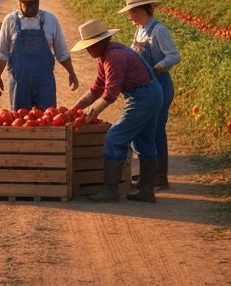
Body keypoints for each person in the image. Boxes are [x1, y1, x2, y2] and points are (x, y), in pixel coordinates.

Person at [70, 19, 163, 203]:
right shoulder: (105, 55)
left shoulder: (114, 57)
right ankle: (146, 190)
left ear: (99, 43)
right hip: (152, 93)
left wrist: (93, 112)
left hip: (143, 96)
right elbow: (97, 88)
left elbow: (110, 93)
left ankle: (110, 190)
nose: (87, 51)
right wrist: (75, 109)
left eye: (89, 47)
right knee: (145, 140)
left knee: (115, 137)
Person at [121, 0, 180, 190]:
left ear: (139, 10)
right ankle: (149, 174)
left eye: (130, 11)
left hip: (161, 85)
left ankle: (160, 175)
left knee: (156, 130)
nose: (129, 15)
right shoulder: (140, 30)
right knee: (146, 129)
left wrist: (159, 66)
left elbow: (174, 55)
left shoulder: (159, 30)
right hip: (147, 86)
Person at [0, 0, 79, 110]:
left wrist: (72, 73)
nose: (30, 7)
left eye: (33, 2)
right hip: (19, 82)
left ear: (38, 1)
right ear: (19, 2)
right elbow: (1, 53)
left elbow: (61, 51)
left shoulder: (50, 20)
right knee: (20, 118)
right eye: (26, 3)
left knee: (47, 117)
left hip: (44, 81)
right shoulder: (9, 21)